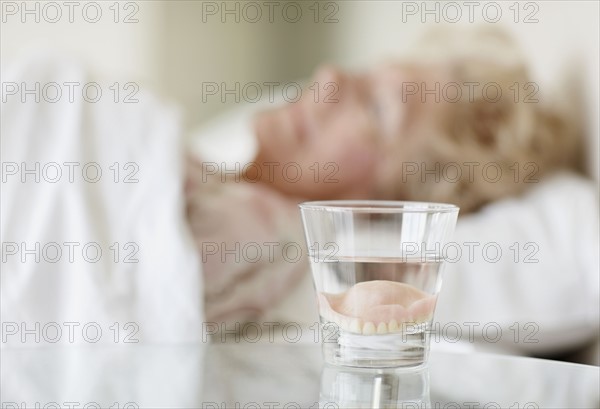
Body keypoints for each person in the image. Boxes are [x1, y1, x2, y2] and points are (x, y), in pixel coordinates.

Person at [186, 28, 599, 362]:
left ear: (386, 210)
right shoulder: (184, 163)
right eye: (362, 75)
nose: (330, 75)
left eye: (376, 108)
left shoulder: (250, 240)